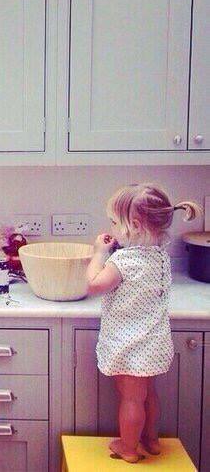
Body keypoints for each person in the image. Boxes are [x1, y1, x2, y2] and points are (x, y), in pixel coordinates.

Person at [86, 183, 201, 463]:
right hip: (153, 342)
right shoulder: (160, 256)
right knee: (148, 395)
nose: (112, 228)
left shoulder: (124, 261)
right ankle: (152, 440)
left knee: (131, 399)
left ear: (134, 226)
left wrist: (99, 253)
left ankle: (128, 448)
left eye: (115, 222)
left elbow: (93, 284)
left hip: (130, 345)